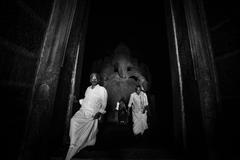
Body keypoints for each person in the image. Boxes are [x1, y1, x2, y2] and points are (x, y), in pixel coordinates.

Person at [65, 73, 108, 160]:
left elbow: (104, 104)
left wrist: (99, 113)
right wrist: (77, 101)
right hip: (83, 110)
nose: (94, 80)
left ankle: (75, 147)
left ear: (98, 80)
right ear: (90, 80)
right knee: (73, 121)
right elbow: (86, 100)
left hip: (92, 114)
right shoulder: (88, 89)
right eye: (92, 78)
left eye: (96, 78)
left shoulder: (102, 90)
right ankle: (73, 143)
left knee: (85, 134)